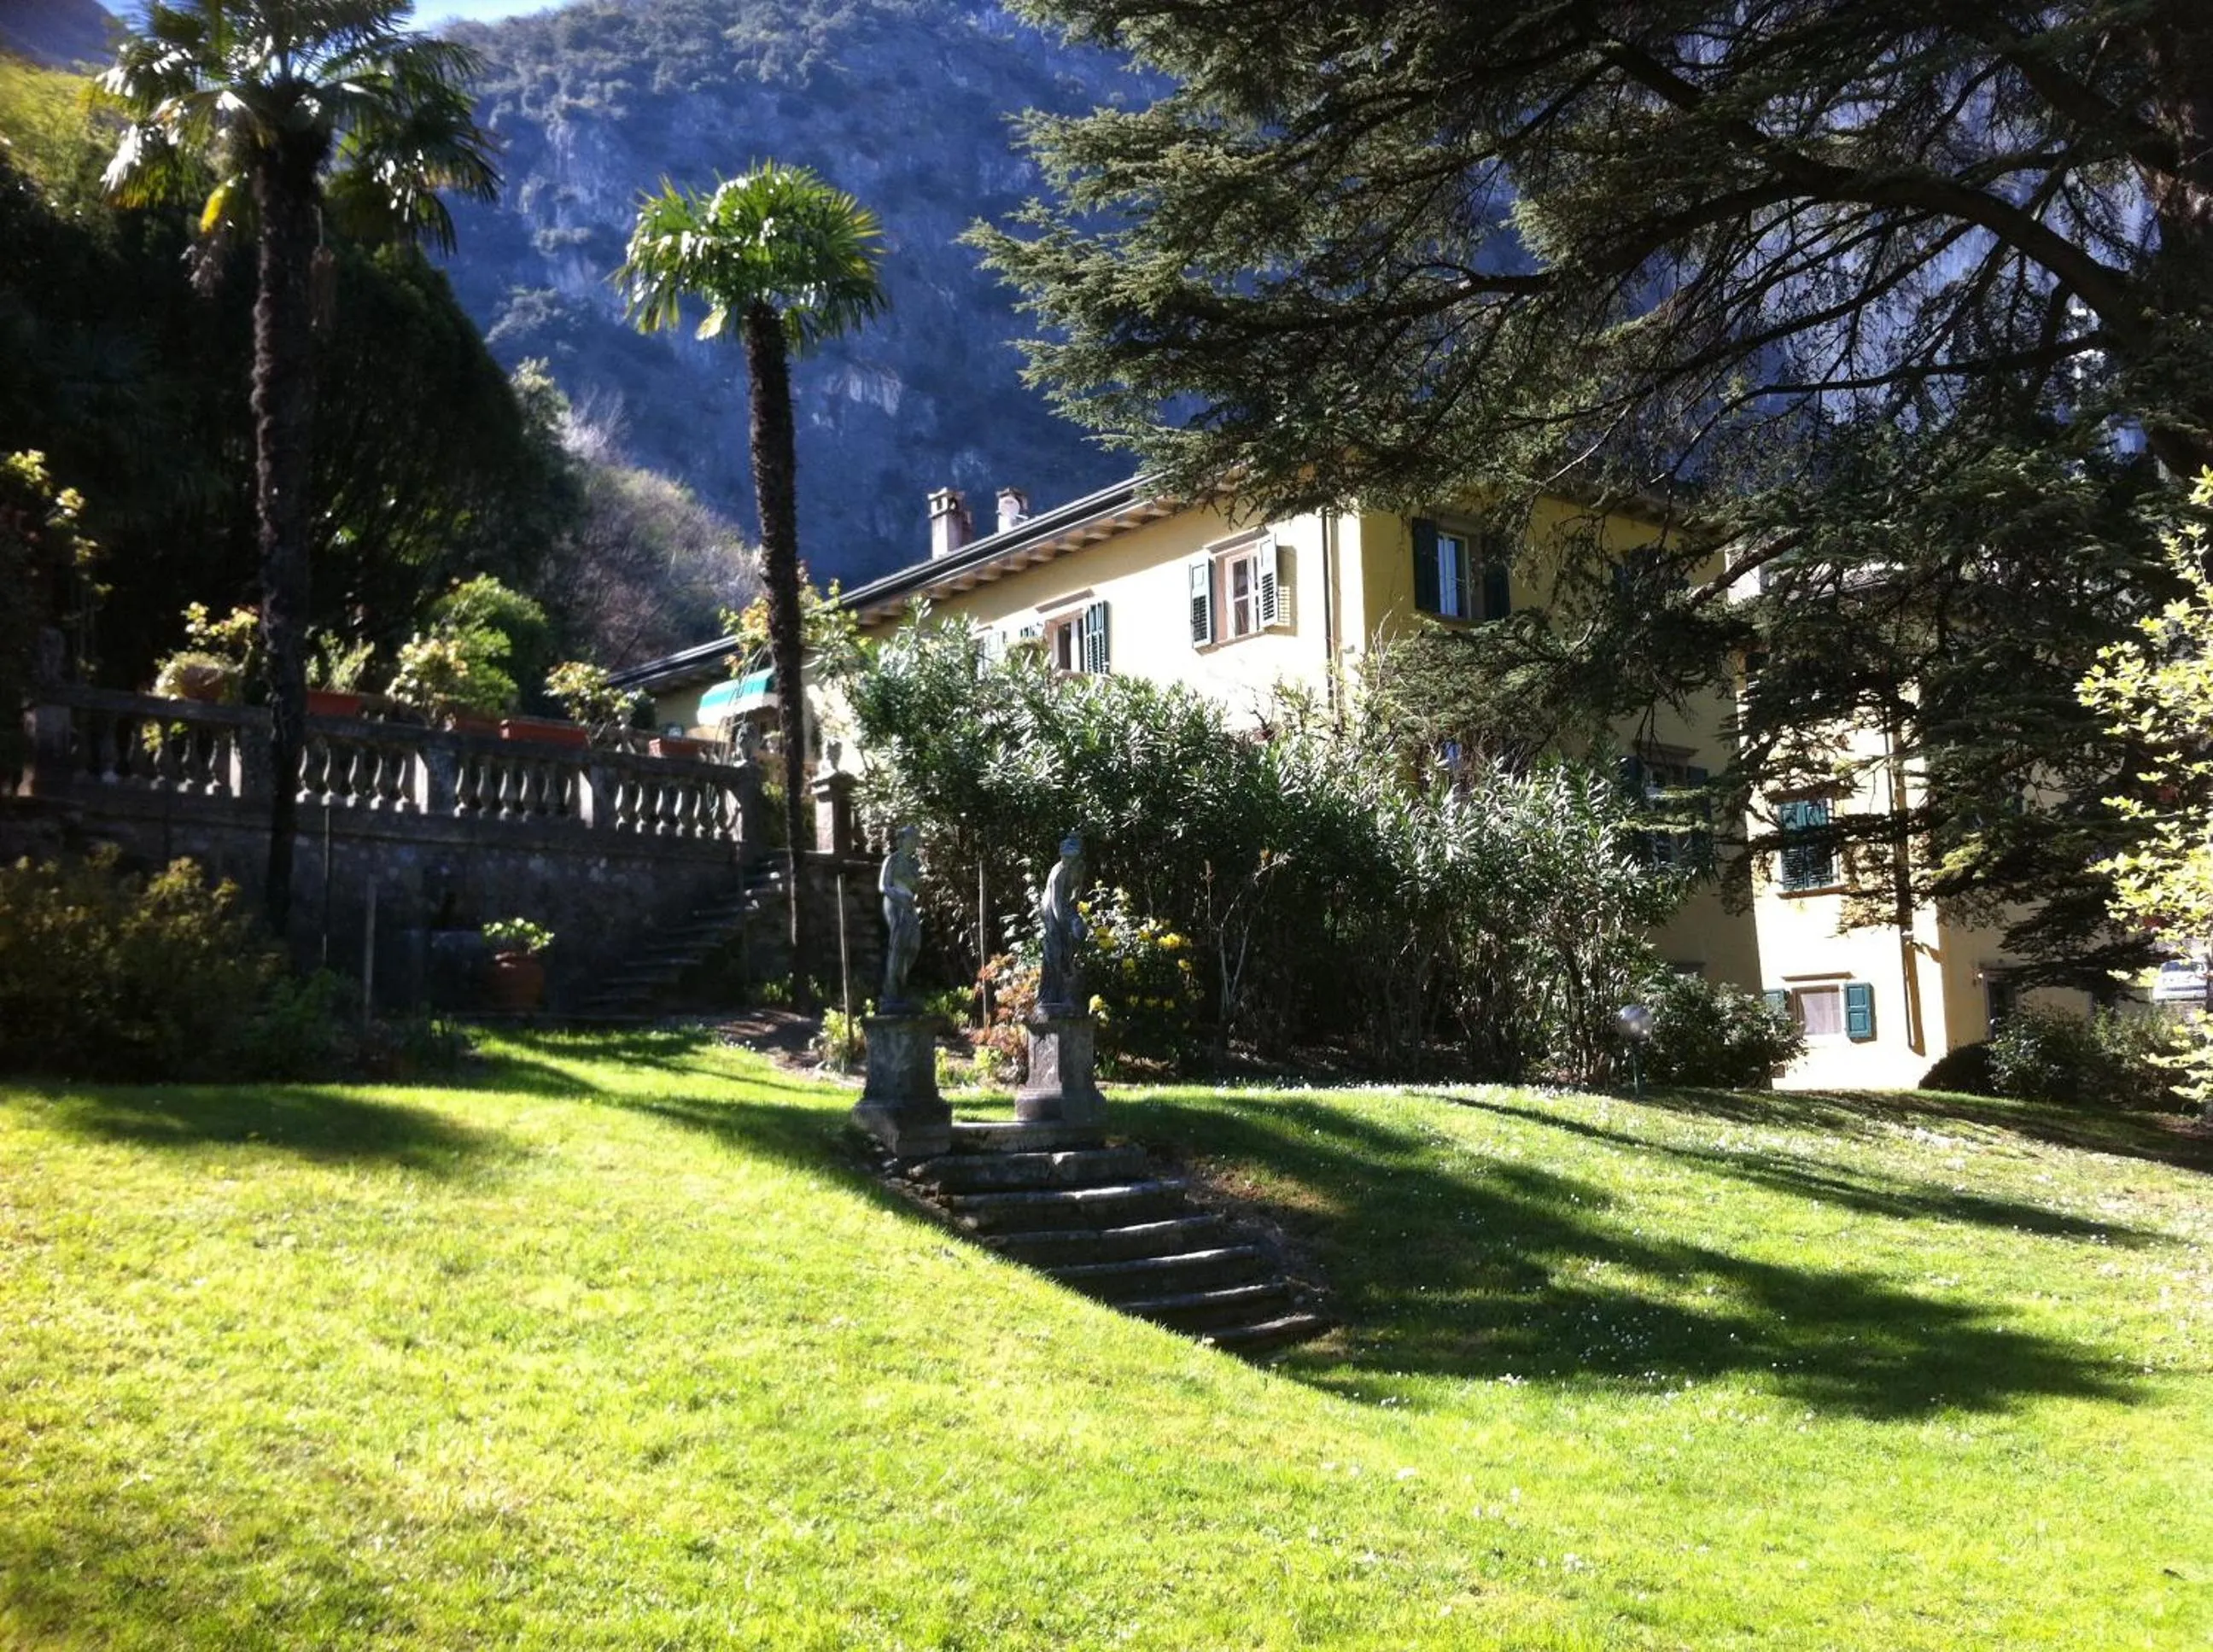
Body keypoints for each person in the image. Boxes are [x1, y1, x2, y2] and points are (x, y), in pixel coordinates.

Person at [1036, 832, 1088, 1015]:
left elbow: (1075, 895)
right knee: (1055, 952)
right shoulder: (1058, 872)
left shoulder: (1079, 868)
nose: (1068, 860)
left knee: (1070, 951)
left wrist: (1075, 918)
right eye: (1066, 857)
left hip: (1065, 909)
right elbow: (1056, 905)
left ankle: (1068, 995)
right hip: (1051, 911)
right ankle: (1049, 997)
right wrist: (1066, 923)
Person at [879, 824, 922, 1011]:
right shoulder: (892, 860)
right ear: (902, 840)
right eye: (911, 839)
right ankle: (891, 992)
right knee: (897, 946)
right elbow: (884, 886)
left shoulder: (914, 864)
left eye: (916, 839)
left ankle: (901, 982)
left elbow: (916, 886)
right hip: (894, 903)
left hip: (910, 905)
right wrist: (900, 898)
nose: (914, 842)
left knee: (913, 945)